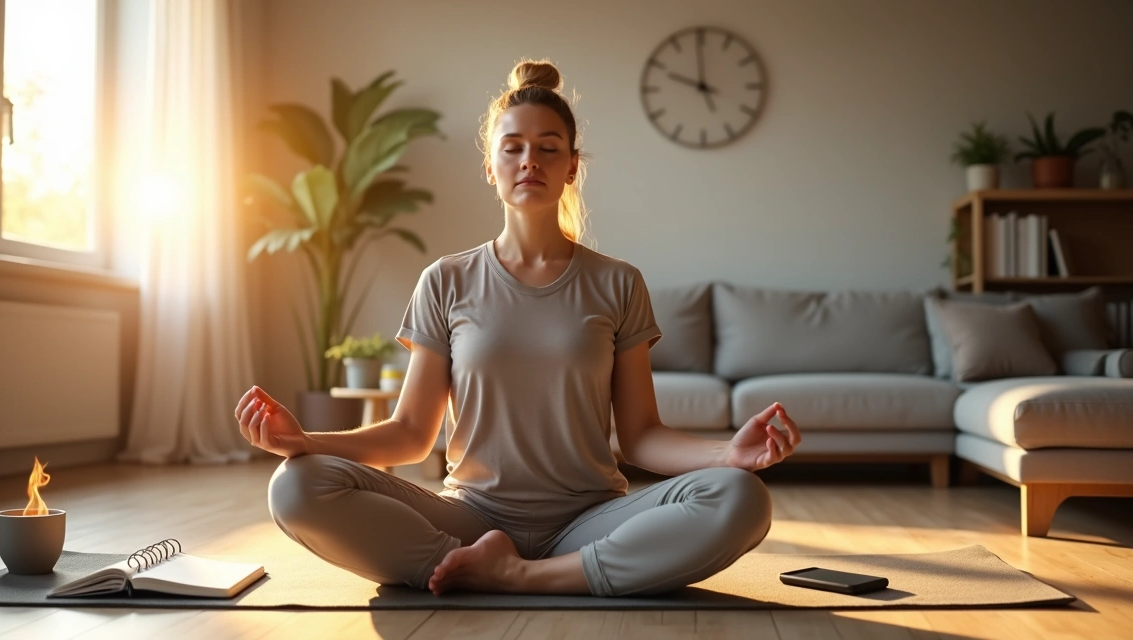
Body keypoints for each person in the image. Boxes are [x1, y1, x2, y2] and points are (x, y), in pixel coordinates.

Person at [233, 59, 802, 598]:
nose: (531, 159)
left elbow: (641, 437)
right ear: (492, 168)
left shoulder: (619, 283)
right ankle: (474, 562)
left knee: (740, 497)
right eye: (514, 148)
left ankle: (513, 576)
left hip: (589, 520)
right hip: (469, 518)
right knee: (295, 484)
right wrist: (305, 443)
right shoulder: (446, 281)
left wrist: (728, 453)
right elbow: (410, 433)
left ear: (572, 166)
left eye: (548, 148)